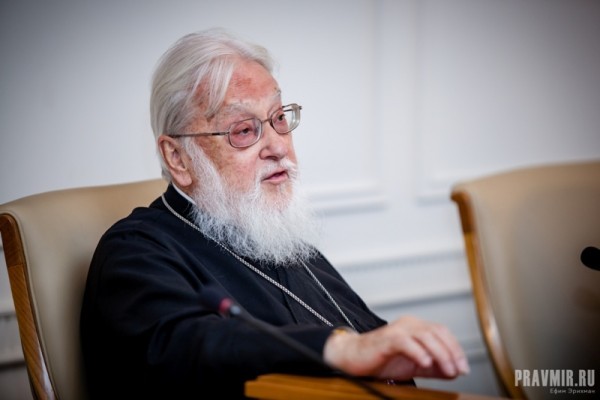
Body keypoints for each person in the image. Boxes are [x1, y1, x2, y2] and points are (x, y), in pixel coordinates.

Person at [80, 28, 470, 399]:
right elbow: (189, 349)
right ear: (178, 158)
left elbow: (369, 340)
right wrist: (339, 349)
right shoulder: (136, 252)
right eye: (243, 130)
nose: (278, 147)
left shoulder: (279, 240)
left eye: (279, 118)